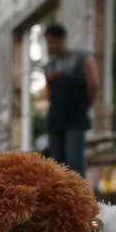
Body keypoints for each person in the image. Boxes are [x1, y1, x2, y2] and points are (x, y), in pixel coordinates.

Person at [43, 23, 101, 177]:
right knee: (56, 166)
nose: (50, 46)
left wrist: (84, 107)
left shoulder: (82, 58)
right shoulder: (49, 66)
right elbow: (49, 93)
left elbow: (93, 85)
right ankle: (59, 199)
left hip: (75, 118)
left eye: (51, 41)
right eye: (47, 42)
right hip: (55, 120)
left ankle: (79, 199)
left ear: (61, 39)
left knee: (74, 164)